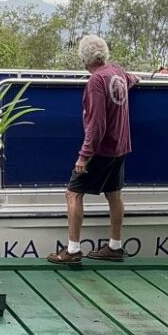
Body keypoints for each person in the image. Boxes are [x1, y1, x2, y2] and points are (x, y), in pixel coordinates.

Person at [47, 35, 138, 265]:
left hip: (102, 149)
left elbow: (96, 125)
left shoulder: (96, 82)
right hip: (121, 146)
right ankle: (115, 246)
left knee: (73, 193)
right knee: (114, 193)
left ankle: (73, 249)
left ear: (83, 58)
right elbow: (131, 79)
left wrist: (84, 156)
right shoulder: (116, 73)